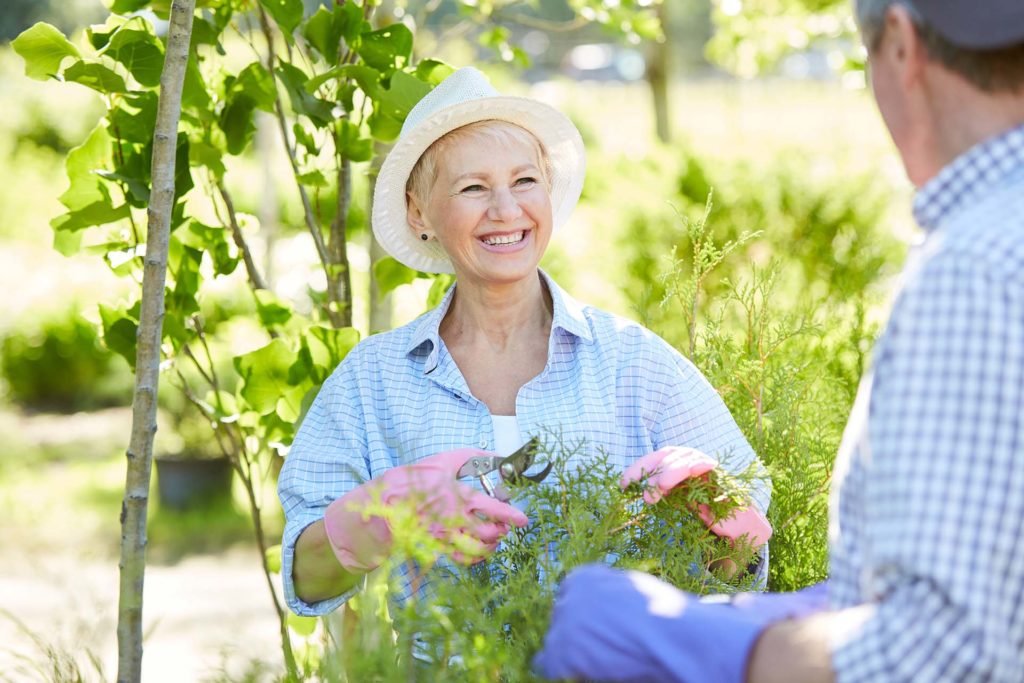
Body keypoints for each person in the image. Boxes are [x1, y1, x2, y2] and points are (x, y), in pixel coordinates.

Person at [534, 0, 1024, 681]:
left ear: (903, 46)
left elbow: (940, 651)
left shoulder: (973, 266)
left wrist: (699, 642)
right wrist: (834, 606)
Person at [277, 66, 773, 617]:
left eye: (524, 181)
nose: (506, 210)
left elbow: (744, 564)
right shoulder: (373, 380)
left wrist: (716, 515)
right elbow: (305, 577)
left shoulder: (635, 362)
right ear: (420, 212)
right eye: (473, 188)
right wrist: (383, 515)